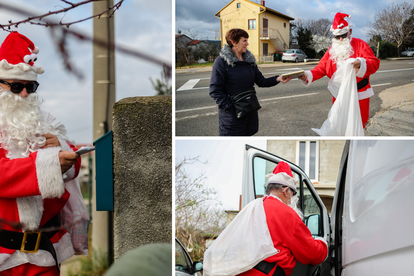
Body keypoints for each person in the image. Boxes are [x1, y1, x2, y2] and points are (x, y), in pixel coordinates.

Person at [0, 31, 89, 276]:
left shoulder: (47, 121)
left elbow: (72, 159)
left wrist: (61, 150)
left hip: (43, 255)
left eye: (31, 86)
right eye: (16, 87)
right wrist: (47, 164)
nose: (25, 94)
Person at [204, 162, 328, 276]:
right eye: (293, 193)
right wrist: (323, 244)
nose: (293, 199)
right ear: (286, 191)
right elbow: (311, 252)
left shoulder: (253, 206)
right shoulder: (286, 213)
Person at [299, 13, 380, 128]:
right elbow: (321, 67)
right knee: (339, 124)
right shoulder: (332, 50)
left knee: (357, 125)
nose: (341, 39)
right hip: (339, 94)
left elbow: (375, 63)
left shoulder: (361, 44)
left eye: (344, 35)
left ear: (349, 32)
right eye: (338, 37)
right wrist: (308, 75)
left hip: (359, 94)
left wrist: (361, 64)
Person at [209, 28, 291, 136]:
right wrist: (231, 108)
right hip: (232, 117)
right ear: (233, 42)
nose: (247, 43)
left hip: (250, 111)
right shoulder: (221, 62)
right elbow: (215, 90)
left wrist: (278, 79)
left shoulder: (249, 61)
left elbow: (261, 81)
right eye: (244, 40)